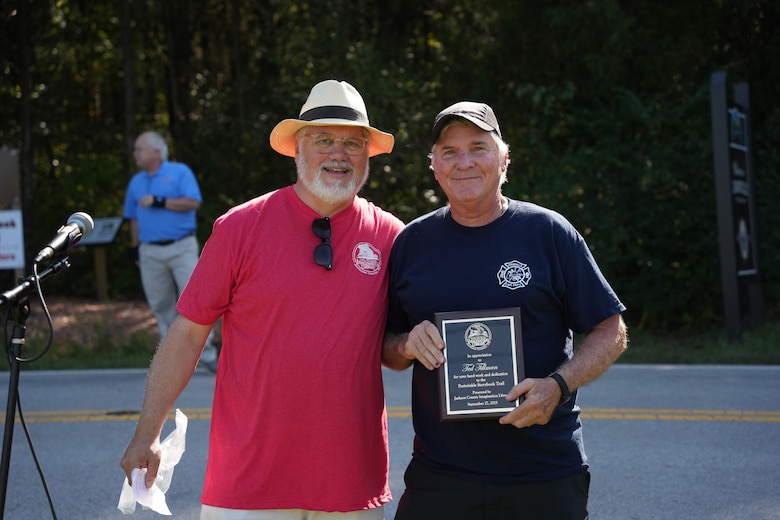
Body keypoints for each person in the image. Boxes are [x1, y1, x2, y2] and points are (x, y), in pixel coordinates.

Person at [120, 80, 404, 520]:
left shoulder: (391, 237)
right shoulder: (240, 227)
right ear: (297, 149)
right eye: (323, 140)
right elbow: (188, 333)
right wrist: (147, 432)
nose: (338, 153)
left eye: (352, 143)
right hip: (248, 485)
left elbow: (400, 345)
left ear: (368, 155)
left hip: (350, 483)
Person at [382, 101, 628, 519]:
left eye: (478, 147)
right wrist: (407, 344)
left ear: (504, 158)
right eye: (449, 151)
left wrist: (558, 386)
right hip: (441, 476)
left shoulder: (548, 232)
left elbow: (611, 329)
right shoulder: (411, 243)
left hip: (543, 472)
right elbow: (388, 347)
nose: (464, 162)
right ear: (434, 166)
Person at [123, 130, 218, 371]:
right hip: (149, 252)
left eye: (139, 149)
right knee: (161, 305)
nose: (135, 153)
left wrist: (159, 201)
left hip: (181, 248)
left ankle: (205, 356)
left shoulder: (179, 172)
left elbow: (194, 202)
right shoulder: (136, 182)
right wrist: (135, 250)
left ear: (156, 151)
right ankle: (173, 360)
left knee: (194, 302)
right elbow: (133, 219)